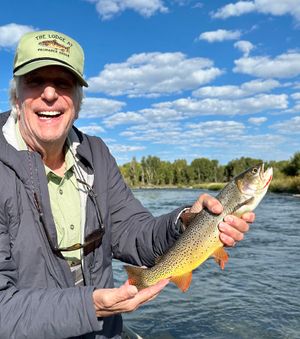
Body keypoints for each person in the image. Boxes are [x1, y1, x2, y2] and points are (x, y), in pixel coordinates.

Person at [0, 30, 254, 339]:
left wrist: (186, 224)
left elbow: (133, 232)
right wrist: (89, 307)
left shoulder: (95, 154)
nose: (50, 94)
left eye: (63, 83)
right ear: (16, 93)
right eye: (35, 81)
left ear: (78, 100)